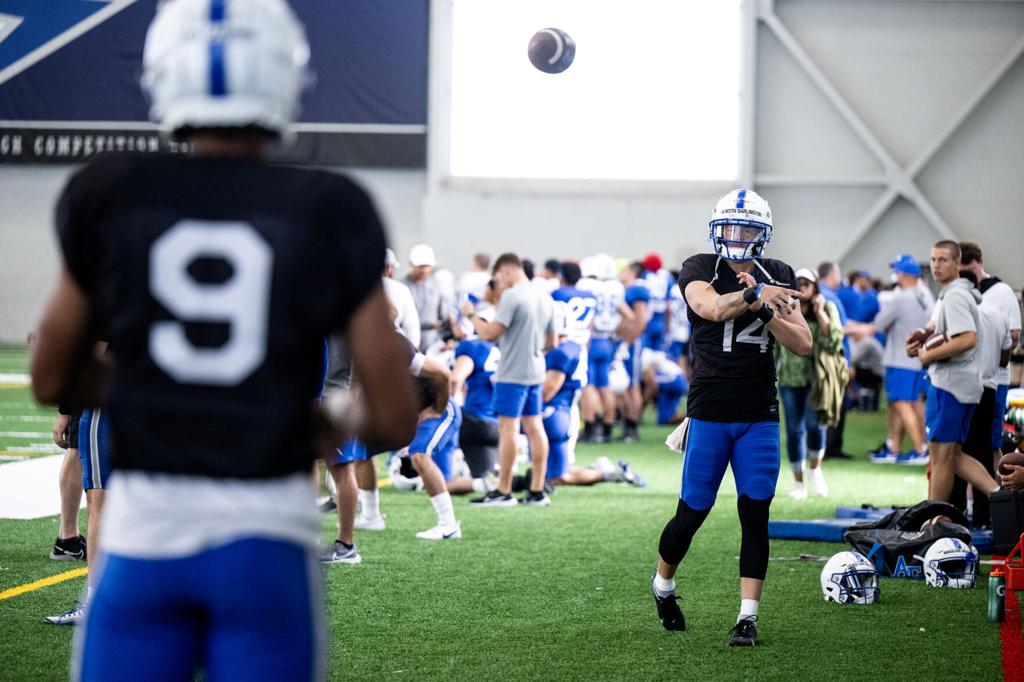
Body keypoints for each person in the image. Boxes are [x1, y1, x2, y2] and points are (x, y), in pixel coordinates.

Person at [30, 1, 418, 676]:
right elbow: (390, 411)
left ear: (159, 74)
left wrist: (155, 394)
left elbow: (52, 376)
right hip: (264, 542)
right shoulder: (331, 205)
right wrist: (315, 419)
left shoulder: (113, 191)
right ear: (286, 76)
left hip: (145, 536)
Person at [651, 189, 811, 647]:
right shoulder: (702, 267)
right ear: (717, 231)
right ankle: (662, 584)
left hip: (759, 410)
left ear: (763, 235)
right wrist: (757, 294)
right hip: (710, 407)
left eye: (748, 230)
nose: (738, 238)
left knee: (755, 512)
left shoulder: (777, 273)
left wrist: (764, 305)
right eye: (732, 228)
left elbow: (802, 344)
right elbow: (710, 307)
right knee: (694, 509)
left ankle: (747, 617)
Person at [463, 253, 556, 506]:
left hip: (512, 373)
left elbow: (490, 333)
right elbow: (553, 342)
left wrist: (472, 317)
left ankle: (503, 490)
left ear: (506, 271)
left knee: (509, 429)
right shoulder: (545, 297)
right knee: (535, 428)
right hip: (536, 370)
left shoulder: (513, 296)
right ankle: (537, 490)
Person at [911, 241, 999, 504]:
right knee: (954, 456)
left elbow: (966, 339)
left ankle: (934, 518)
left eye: (943, 260)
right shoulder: (958, 294)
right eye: (933, 259)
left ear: (957, 264)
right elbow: (955, 336)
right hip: (963, 384)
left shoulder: (955, 295)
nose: (936, 265)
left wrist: (927, 354)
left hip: (951, 385)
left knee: (941, 456)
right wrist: (927, 340)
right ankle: (1002, 498)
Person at [775, 269, 845, 499]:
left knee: (816, 426)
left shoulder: (825, 308)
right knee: (794, 430)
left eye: (808, 283)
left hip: (816, 378)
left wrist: (820, 311)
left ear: (816, 287)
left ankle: (815, 469)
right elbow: (775, 343)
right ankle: (798, 482)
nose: (803, 287)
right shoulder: (785, 308)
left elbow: (834, 340)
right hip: (788, 378)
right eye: (799, 282)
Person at [861, 254, 932, 464]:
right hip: (917, 359)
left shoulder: (901, 297)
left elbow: (879, 323)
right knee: (907, 403)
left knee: (901, 403)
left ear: (903, 273)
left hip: (899, 359)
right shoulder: (925, 294)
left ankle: (920, 450)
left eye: (898, 270)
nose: (896, 274)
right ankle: (895, 447)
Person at [44, 405, 112, 625]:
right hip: (151, 399)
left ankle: (95, 602)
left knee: (99, 500)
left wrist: (66, 409)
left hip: (105, 402)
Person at [579, 254, 634, 443]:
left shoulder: (587, 286)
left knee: (589, 386)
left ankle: (592, 427)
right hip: (606, 342)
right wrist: (615, 333)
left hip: (591, 341)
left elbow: (589, 318)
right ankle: (608, 428)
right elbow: (629, 315)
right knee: (605, 387)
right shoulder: (614, 288)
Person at [619, 262, 651, 443]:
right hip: (627, 342)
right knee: (626, 385)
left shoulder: (638, 289)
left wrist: (628, 341)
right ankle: (627, 422)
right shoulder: (630, 288)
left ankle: (632, 426)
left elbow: (640, 321)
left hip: (634, 343)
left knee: (633, 385)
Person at [50, 410, 86, 562]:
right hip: (86, 396)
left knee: (78, 446)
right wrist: (65, 411)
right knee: (78, 446)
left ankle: (68, 537)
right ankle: (68, 538)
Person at [405, 243, 453, 352]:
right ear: (411, 264)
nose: (424, 270)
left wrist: (448, 339)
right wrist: (429, 325)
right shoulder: (400, 286)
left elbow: (443, 316)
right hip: (406, 344)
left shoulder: (436, 286)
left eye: (427, 266)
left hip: (431, 346)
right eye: (420, 266)